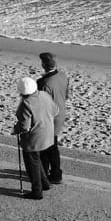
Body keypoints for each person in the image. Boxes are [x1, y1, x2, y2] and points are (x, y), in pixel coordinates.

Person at [12, 73, 55, 201]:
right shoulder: (44, 95)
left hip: (33, 139)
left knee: (32, 165)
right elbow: (55, 110)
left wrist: (15, 130)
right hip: (47, 133)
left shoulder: (25, 104)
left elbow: (24, 126)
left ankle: (37, 191)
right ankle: (45, 184)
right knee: (37, 160)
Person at [37, 50, 68, 186]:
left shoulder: (43, 82)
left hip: (49, 117)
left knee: (45, 147)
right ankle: (56, 173)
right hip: (61, 113)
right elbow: (66, 94)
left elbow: (41, 104)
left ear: (44, 64)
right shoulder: (63, 76)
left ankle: (45, 174)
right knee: (53, 145)